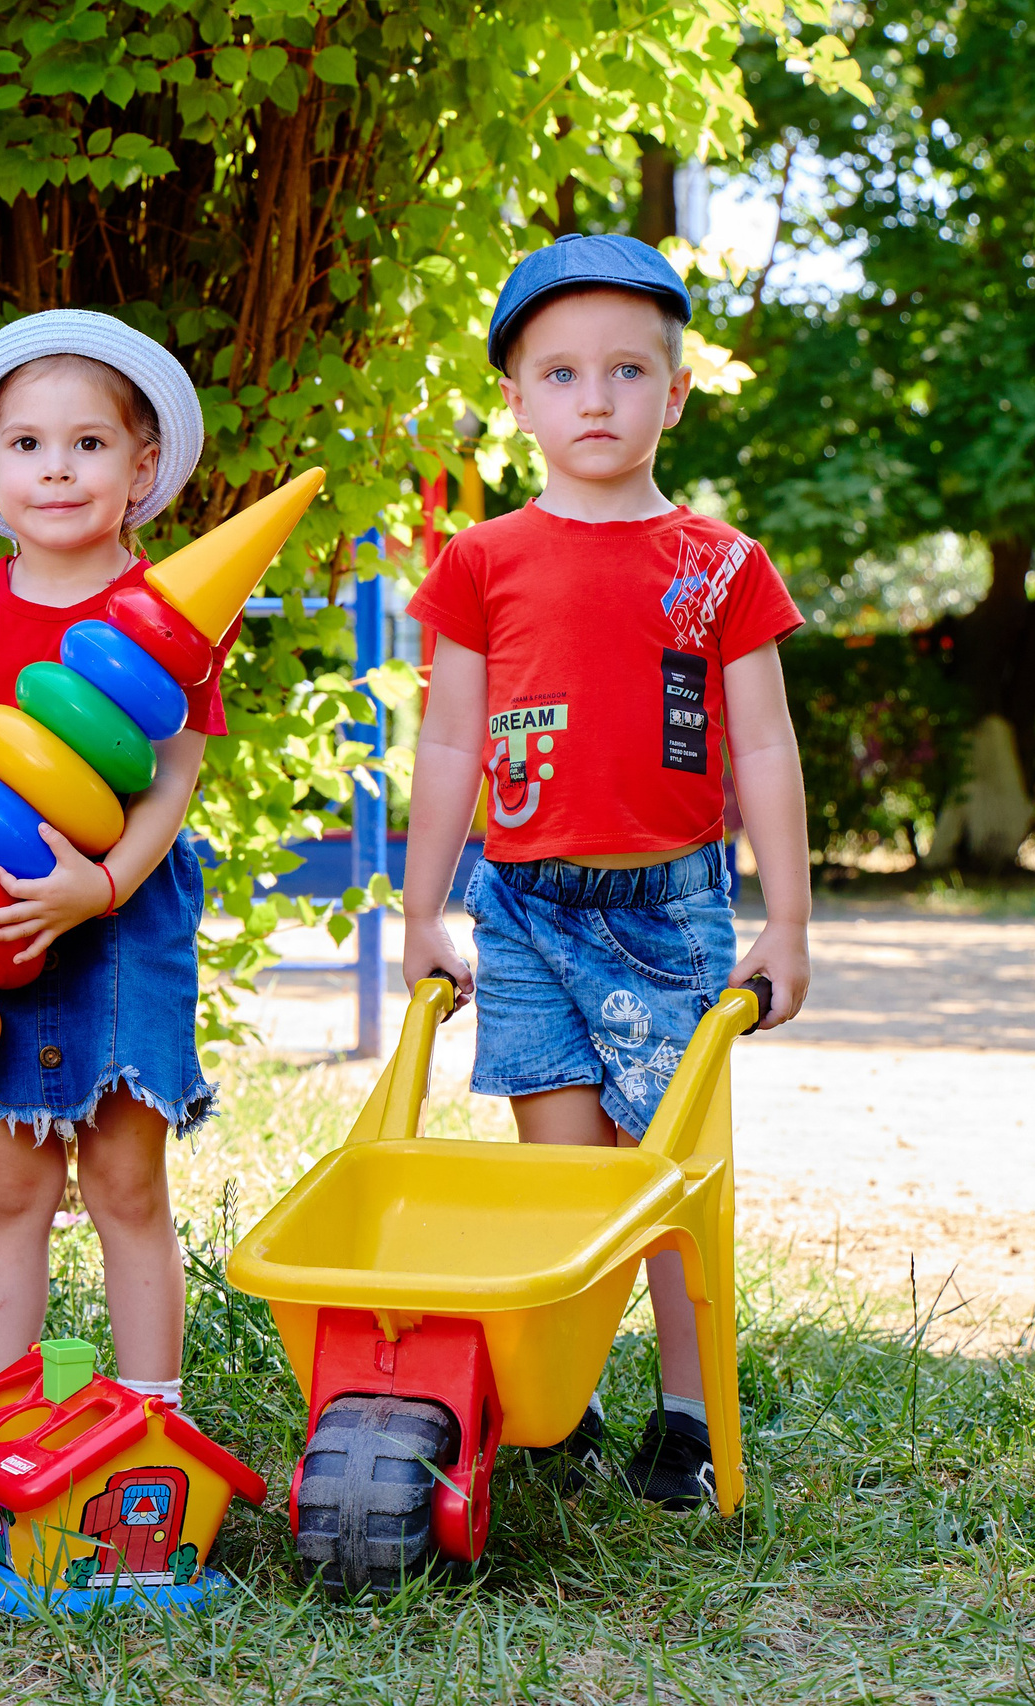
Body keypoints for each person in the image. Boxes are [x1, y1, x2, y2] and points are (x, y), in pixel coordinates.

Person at [401, 233, 813, 1510]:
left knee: (668, 1181)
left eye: (628, 371)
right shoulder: (479, 562)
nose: (595, 398)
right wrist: (423, 909)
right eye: (562, 372)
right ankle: (562, 1404)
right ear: (516, 399)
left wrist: (787, 922)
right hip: (520, 908)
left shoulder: (719, 565)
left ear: (674, 394)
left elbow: (761, 743)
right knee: (563, 1175)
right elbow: (454, 739)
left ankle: (684, 1417)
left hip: (668, 909)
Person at [0, 311, 226, 1412]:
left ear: (141, 465)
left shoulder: (174, 613)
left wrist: (99, 886)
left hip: (117, 920)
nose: (55, 467)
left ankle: (150, 1414)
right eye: (25, 444)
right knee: (10, 1184)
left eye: (88, 444)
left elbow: (170, 781)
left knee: (125, 1177)